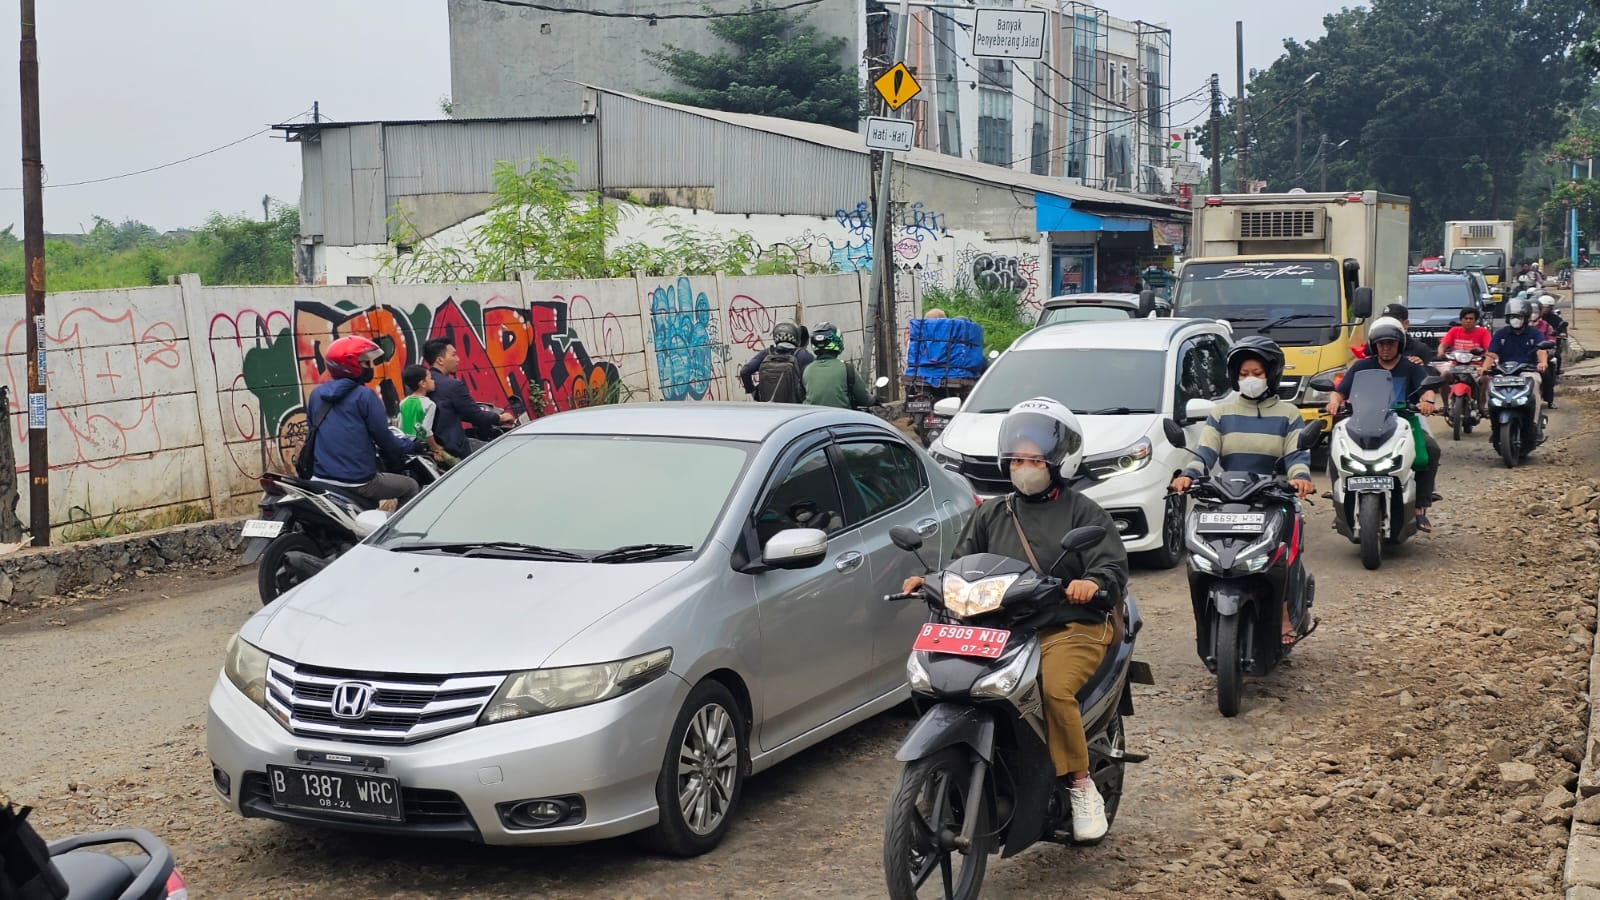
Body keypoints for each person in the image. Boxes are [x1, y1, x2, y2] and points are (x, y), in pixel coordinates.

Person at [899, 398, 1128, 842]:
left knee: (1055, 690)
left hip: (1069, 624)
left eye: (1034, 459)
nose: (1024, 467)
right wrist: (929, 581)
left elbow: (1111, 569)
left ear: (1058, 461)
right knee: (941, 678)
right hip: (999, 628)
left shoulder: (1084, 513)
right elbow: (962, 564)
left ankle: (1080, 785)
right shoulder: (993, 512)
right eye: (1017, 459)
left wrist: (1090, 582)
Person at [1170, 337, 1315, 644]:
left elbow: (1296, 456)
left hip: (1275, 496)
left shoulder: (1288, 414)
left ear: (1271, 375)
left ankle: (1286, 612)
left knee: (1284, 552)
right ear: (1235, 376)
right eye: (1244, 373)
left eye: (1257, 373)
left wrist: (1300, 478)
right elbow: (1205, 452)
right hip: (1230, 495)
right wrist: (1187, 475)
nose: (1250, 379)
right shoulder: (1222, 413)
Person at [1324, 317, 1442, 532]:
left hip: (1404, 421)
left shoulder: (1410, 367)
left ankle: (1419, 507)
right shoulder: (1361, 366)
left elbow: (1426, 388)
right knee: (1336, 450)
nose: (1386, 347)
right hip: (1363, 420)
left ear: (1400, 344)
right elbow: (1340, 390)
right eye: (1381, 343)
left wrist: (1427, 401)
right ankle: (1340, 503)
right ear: (1374, 345)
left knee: (1431, 450)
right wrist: (1334, 402)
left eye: (1391, 343)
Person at [306, 336, 427, 506]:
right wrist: (410, 445)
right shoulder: (365, 396)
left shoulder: (316, 395)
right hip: (357, 482)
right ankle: (394, 532)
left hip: (320, 478)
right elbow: (383, 438)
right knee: (410, 486)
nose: (370, 368)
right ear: (351, 365)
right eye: (365, 363)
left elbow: (313, 429)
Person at [422, 337, 513, 459]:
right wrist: (500, 418)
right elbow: (476, 416)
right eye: (453, 355)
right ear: (440, 360)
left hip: (426, 448)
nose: (458, 359)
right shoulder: (452, 385)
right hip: (452, 448)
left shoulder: (421, 384)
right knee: (498, 455)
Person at [1481, 297, 1549, 438]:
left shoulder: (1534, 333)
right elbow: (1491, 354)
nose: (1515, 319)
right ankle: (1493, 420)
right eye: (1512, 317)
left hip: (1527, 371)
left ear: (1525, 317)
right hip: (1504, 372)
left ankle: (1534, 423)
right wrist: (1484, 368)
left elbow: (1541, 350)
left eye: (1518, 316)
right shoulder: (1501, 334)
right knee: (1491, 382)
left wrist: (1542, 362)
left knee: (1535, 383)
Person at [397, 364, 460, 469]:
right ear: (422, 384)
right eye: (430, 378)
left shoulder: (403, 402)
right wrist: (436, 448)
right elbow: (426, 431)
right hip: (421, 448)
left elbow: (400, 425)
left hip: (407, 447)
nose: (433, 381)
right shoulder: (429, 404)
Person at [801, 322, 873, 409]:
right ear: (838, 341)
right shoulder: (848, 369)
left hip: (814, 420)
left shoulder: (806, 370)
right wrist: (875, 400)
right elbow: (865, 400)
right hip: (842, 420)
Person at [1436, 306, 1493, 414]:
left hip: (1476, 367)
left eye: (1471, 319)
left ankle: (1481, 405)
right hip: (1456, 366)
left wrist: (1485, 364)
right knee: (1444, 376)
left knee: (1485, 379)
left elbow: (1489, 351)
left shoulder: (1483, 332)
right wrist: (1441, 351)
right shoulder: (1454, 331)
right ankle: (1446, 406)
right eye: (1465, 318)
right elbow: (1443, 344)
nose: (1468, 321)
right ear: (1461, 320)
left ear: (1475, 321)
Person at [738, 321, 812, 402]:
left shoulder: (767, 353)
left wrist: (754, 393)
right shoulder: (802, 355)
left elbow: (744, 371)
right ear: (796, 336)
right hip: (793, 408)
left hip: (770, 407)